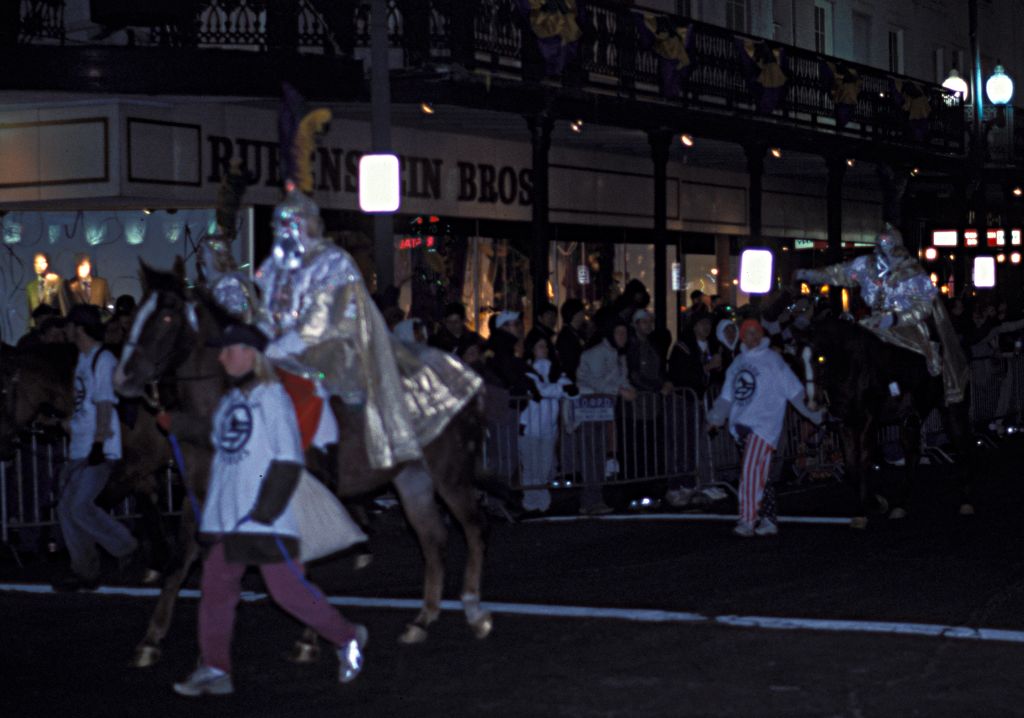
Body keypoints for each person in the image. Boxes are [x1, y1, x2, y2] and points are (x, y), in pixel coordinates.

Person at [172, 323, 367, 697]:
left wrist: (265, 510)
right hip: (230, 518)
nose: (221, 357)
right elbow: (217, 438)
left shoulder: (273, 397)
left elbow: (288, 458)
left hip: (263, 519)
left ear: (251, 354)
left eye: (229, 349)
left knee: (288, 592)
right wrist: (176, 422)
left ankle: (346, 637)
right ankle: (215, 667)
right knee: (216, 590)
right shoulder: (231, 401)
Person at [794, 223, 968, 404]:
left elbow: (924, 306)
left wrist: (894, 318)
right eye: (880, 246)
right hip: (875, 322)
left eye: (888, 246)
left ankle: (907, 398)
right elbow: (839, 273)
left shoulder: (912, 272)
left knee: (901, 356)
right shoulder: (868, 266)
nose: (883, 252)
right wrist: (810, 275)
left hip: (907, 326)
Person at [706, 319, 823, 537]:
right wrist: (716, 417)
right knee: (760, 474)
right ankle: (768, 519)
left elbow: (794, 391)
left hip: (764, 426)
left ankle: (747, 519)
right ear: (743, 337)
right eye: (749, 333)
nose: (755, 336)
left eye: (757, 332)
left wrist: (814, 414)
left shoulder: (773, 360)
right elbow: (726, 396)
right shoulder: (737, 362)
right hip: (741, 426)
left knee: (750, 472)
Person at [53, 304, 137, 592]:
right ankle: (84, 570)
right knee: (68, 509)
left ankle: (125, 547)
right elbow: (86, 403)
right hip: (82, 445)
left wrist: (99, 443)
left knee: (78, 507)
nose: (65, 330)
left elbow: (104, 402)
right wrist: (69, 423)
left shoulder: (103, 360)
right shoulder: (84, 358)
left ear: (79, 328)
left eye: (69, 325)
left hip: (96, 447)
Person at [577, 317, 636, 514]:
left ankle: (594, 498)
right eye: (619, 332)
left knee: (599, 453)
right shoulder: (598, 353)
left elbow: (620, 378)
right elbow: (595, 381)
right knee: (592, 454)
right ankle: (591, 499)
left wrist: (628, 389)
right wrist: (620, 390)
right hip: (590, 409)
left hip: (604, 409)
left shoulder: (618, 355)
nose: (623, 336)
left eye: (625, 333)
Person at [518, 336, 576, 514]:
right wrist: (561, 389)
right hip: (529, 427)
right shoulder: (526, 371)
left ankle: (542, 504)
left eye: (545, 346)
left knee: (545, 467)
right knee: (531, 467)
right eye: (539, 346)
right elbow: (541, 391)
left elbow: (572, 391)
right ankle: (531, 503)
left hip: (549, 428)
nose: (544, 349)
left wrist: (564, 389)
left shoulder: (556, 372)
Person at [555, 298, 586, 382]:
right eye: (582, 312)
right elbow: (570, 363)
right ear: (575, 315)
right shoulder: (566, 336)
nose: (584, 316)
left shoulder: (576, 333)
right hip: (572, 379)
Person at [26, 252, 61, 323]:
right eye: (36, 263)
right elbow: (30, 310)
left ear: (47, 264)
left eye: (42, 262)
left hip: (54, 323)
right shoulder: (30, 287)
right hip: (38, 325)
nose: (38, 266)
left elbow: (62, 305)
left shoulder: (57, 281)